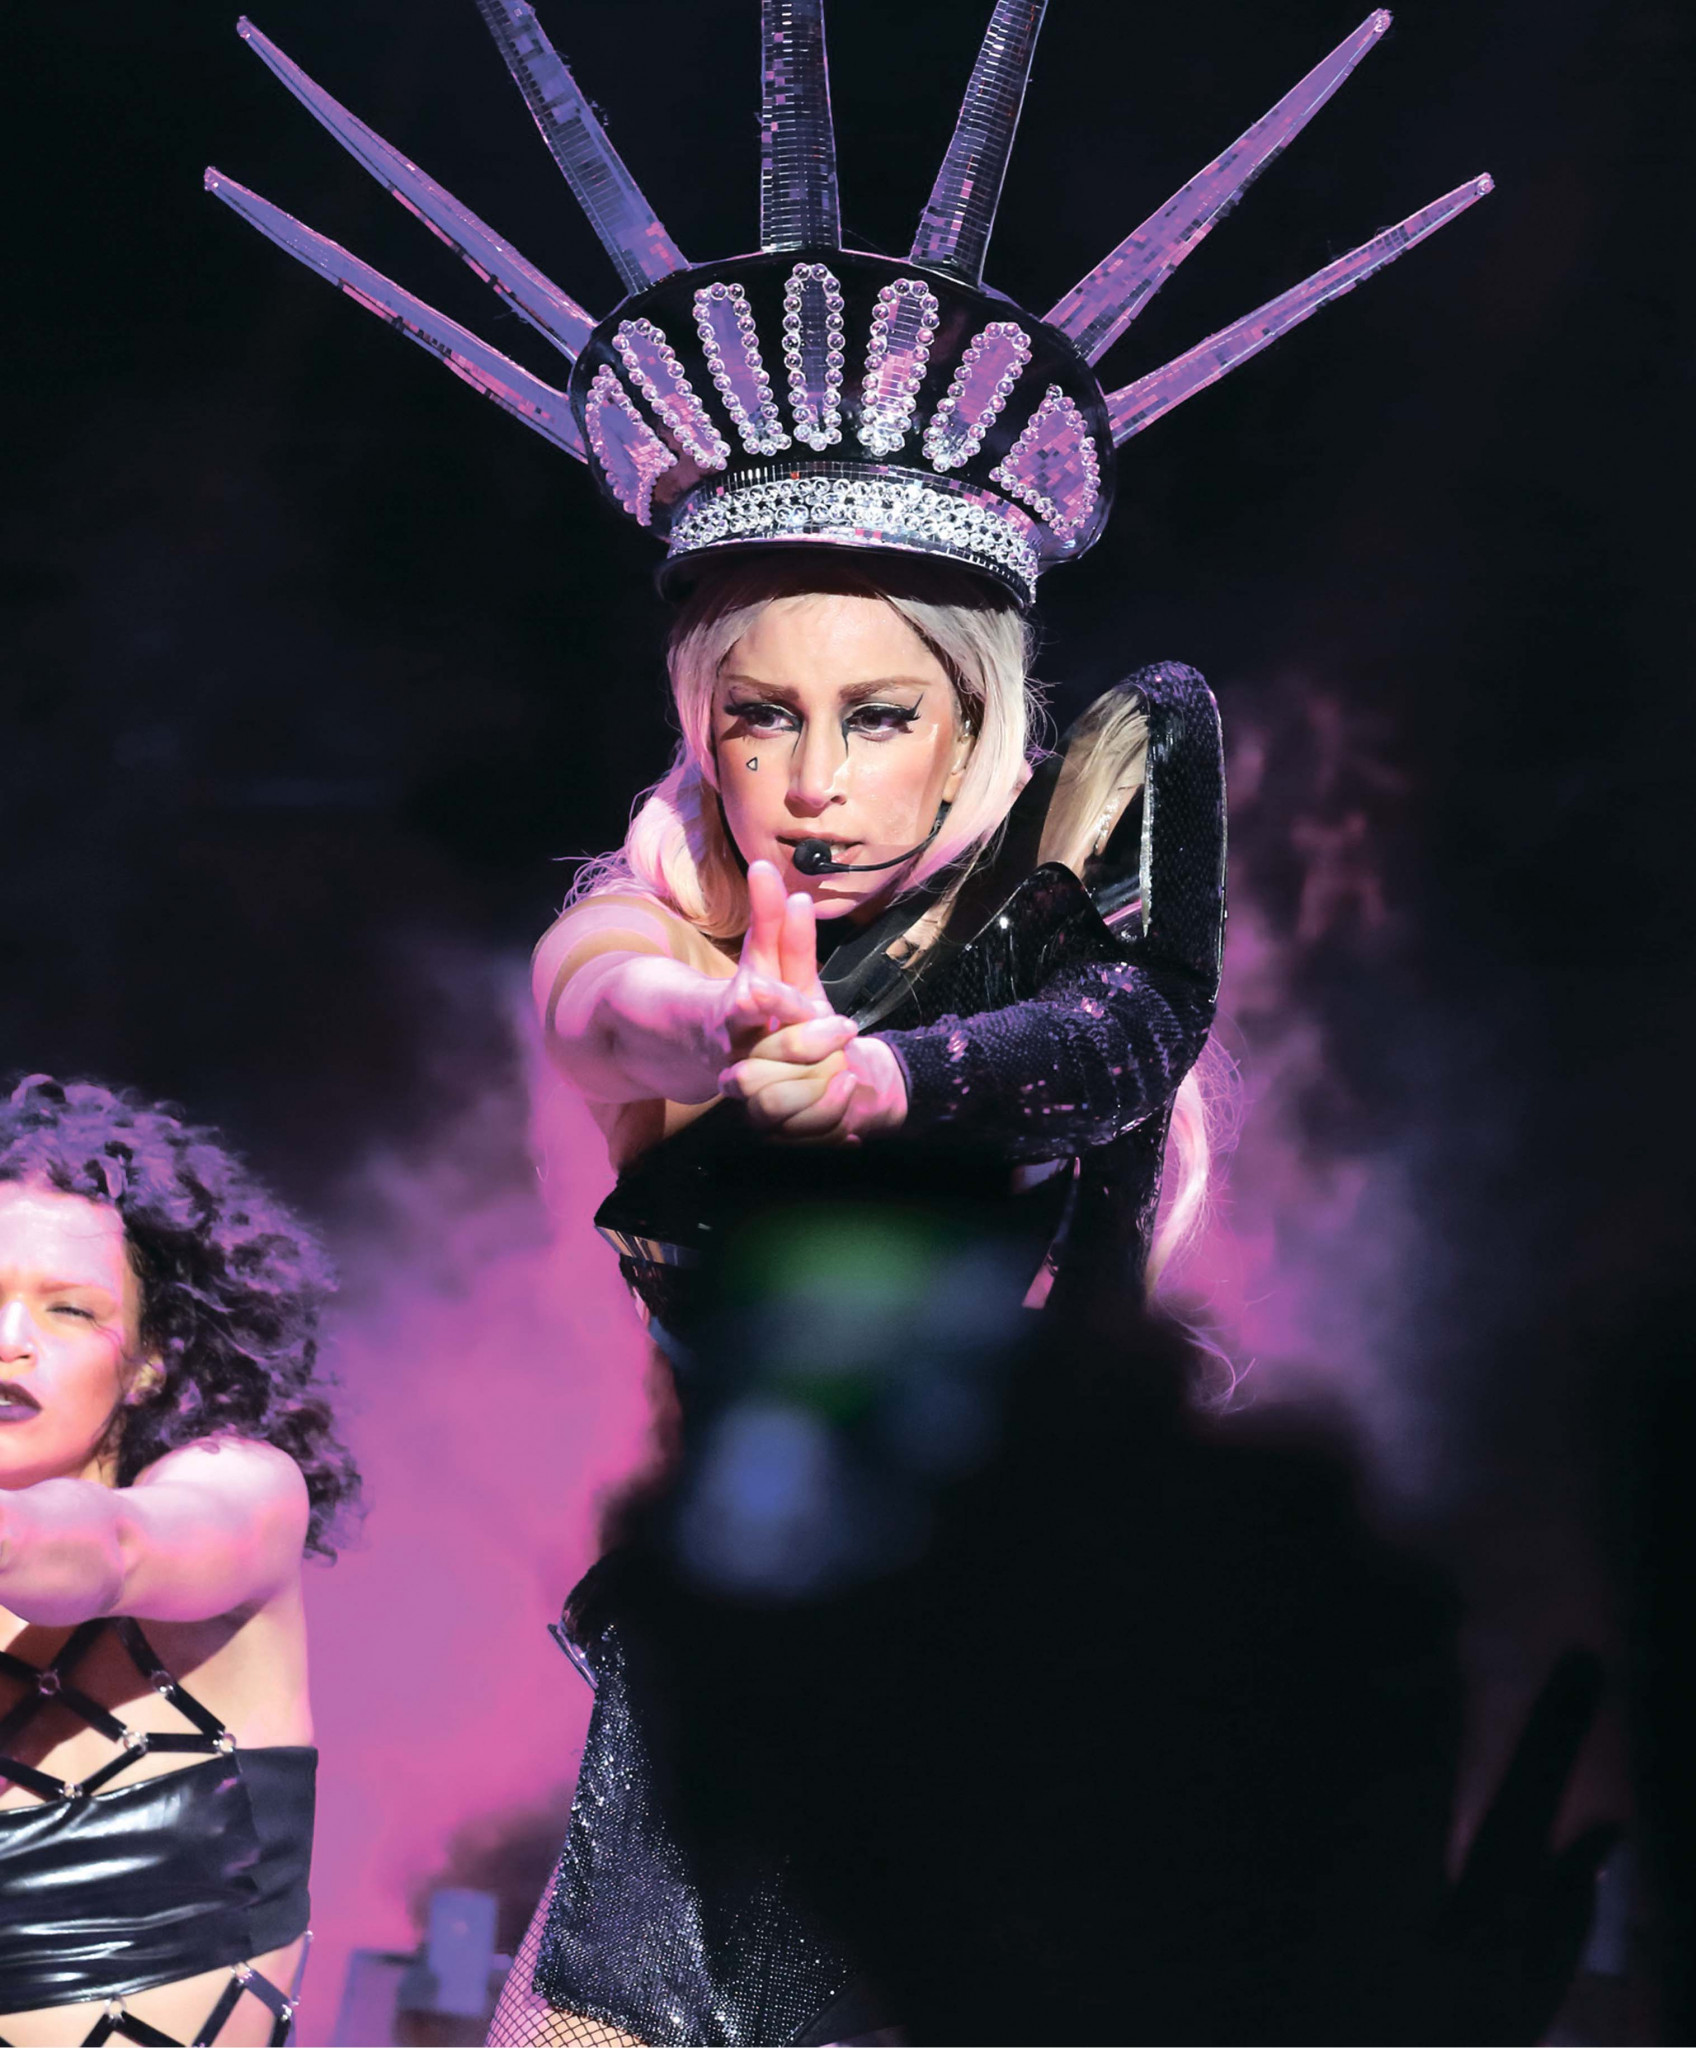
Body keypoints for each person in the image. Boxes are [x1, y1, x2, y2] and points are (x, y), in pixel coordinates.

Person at [209, 5, 1490, 2039]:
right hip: (731, 1694)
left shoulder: (1087, 854)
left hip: (1020, 1667)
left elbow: (1128, 1026)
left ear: (973, 713)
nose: (808, 778)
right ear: (698, 720)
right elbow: (603, 1003)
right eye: (758, 717)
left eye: (875, 715)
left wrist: (887, 1074)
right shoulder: (663, 904)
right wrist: (716, 1030)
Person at [0, 1076, 360, 2048]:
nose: (8, 1342)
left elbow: (109, 1548)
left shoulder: (238, 1490)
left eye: (68, 1310)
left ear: (151, 1356)